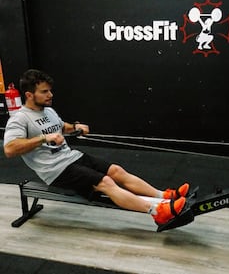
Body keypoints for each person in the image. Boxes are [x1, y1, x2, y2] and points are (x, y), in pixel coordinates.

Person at [3, 69, 189, 226]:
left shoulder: (48, 110)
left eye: (50, 91)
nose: (50, 95)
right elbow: (10, 149)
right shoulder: (20, 119)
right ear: (29, 95)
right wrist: (43, 138)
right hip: (55, 171)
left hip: (71, 157)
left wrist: (75, 127)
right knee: (106, 182)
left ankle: (165, 195)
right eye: (44, 92)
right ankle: (158, 212)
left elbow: (61, 127)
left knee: (116, 170)